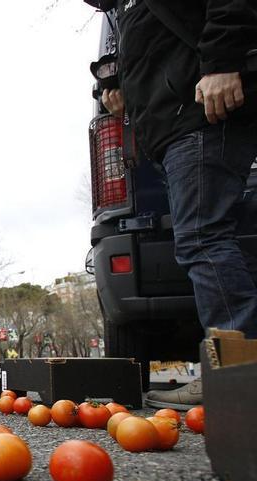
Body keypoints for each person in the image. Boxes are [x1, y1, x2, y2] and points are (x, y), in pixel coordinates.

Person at [96, 0, 257, 408]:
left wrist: (222, 60)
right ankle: (236, 369)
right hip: (172, 127)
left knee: (203, 239)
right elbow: (157, 48)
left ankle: (233, 374)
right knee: (208, 240)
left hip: (200, 115)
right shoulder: (123, 12)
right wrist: (122, 87)